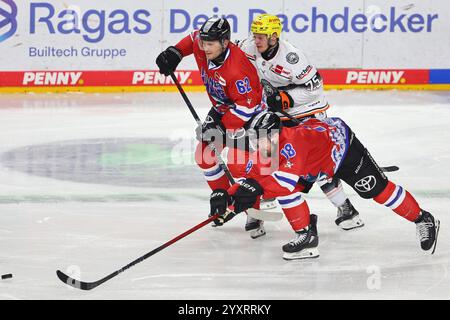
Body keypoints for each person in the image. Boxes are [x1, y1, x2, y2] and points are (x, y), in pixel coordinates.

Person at [209, 112, 440, 260]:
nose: (256, 143)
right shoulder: (266, 144)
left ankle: (423, 218)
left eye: (261, 138)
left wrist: (247, 193)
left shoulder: (292, 145)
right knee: (281, 189)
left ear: (277, 135)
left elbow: (280, 183)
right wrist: (227, 197)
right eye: (254, 138)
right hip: (315, 162)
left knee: (378, 192)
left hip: (342, 150)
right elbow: (252, 178)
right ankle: (307, 235)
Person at [237, 14, 363, 232]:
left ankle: (346, 208)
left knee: (318, 165)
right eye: (255, 35)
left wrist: (286, 99)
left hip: (307, 112)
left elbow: (316, 87)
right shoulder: (250, 46)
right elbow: (229, 51)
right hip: (278, 114)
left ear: (274, 37)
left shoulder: (292, 58)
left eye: (261, 37)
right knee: (268, 154)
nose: (256, 41)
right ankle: (260, 209)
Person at [155, 17, 270, 237]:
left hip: (249, 116)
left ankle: (253, 211)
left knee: (240, 165)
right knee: (204, 156)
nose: (204, 47)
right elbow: (192, 38)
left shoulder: (238, 70)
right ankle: (223, 197)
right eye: (204, 43)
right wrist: (175, 53)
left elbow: (247, 108)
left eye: (210, 44)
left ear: (225, 43)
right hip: (223, 108)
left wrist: (219, 129)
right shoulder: (204, 43)